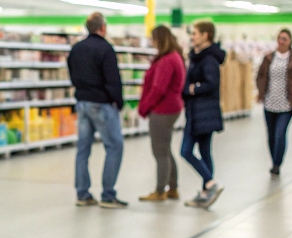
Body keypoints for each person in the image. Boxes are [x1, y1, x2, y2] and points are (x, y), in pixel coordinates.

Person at [67, 12, 127, 209]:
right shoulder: (105, 48)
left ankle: (82, 194)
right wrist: (118, 101)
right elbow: (113, 79)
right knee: (114, 146)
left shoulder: (76, 49)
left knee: (83, 149)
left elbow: (72, 75)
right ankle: (108, 195)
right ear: (102, 28)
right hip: (101, 103)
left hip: (82, 102)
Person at [138, 25, 186, 202]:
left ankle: (160, 191)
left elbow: (158, 88)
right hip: (171, 108)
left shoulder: (167, 60)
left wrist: (144, 107)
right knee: (166, 149)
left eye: (153, 38)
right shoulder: (175, 56)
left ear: (160, 39)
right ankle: (172, 188)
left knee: (159, 151)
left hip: (162, 110)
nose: (152, 42)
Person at [181, 20, 225, 209]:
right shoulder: (198, 57)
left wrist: (191, 89)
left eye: (195, 34)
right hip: (197, 111)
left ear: (206, 35)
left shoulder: (209, 60)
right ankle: (206, 194)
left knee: (186, 150)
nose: (192, 37)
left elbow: (211, 84)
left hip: (203, 111)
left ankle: (210, 183)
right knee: (205, 152)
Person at [256, 29, 292, 177]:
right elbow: (260, 76)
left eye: (284, 38)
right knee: (271, 135)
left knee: (280, 134)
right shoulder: (269, 57)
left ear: (290, 41)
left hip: (287, 104)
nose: (281, 41)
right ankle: (274, 161)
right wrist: (261, 93)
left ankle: (277, 164)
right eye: (279, 38)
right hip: (269, 102)